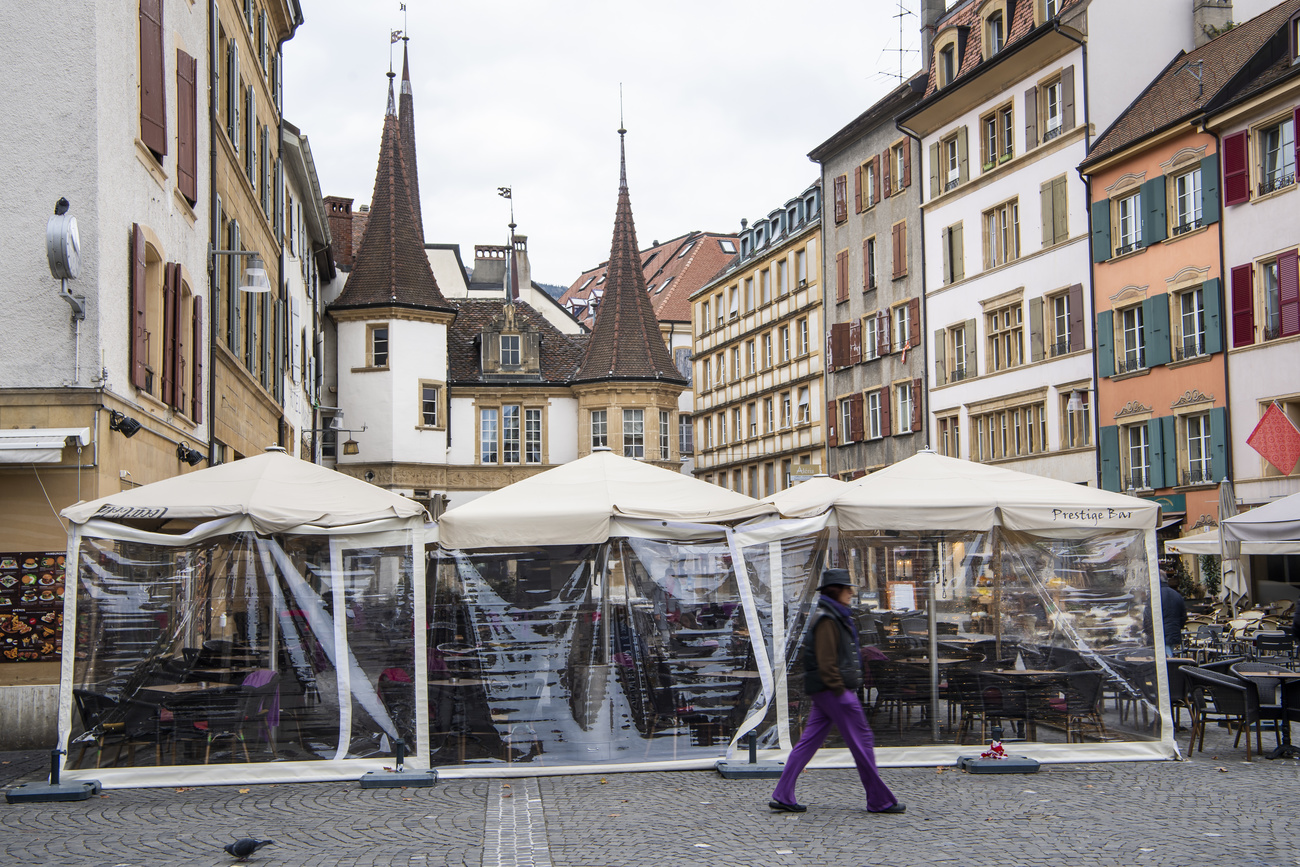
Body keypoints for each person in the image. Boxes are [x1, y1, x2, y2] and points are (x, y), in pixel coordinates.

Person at [769, 568, 904, 815]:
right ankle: (879, 800)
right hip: (835, 690)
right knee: (862, 741)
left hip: (828, 690)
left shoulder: (831, 615)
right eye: (847, 588)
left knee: (809, 742)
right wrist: (841, 691)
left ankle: (783, 794)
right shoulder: (828, 619)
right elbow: (826, 660)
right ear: (837, 591)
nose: (851, 593)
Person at [1159, 564, 1187, 651]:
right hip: (1173, 632)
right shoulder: (1176, 595)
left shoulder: (1155, 595)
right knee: (1169, 653)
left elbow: (1148, 615)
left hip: (1160, 633)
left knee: (1166, 657)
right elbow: (1183, 616)